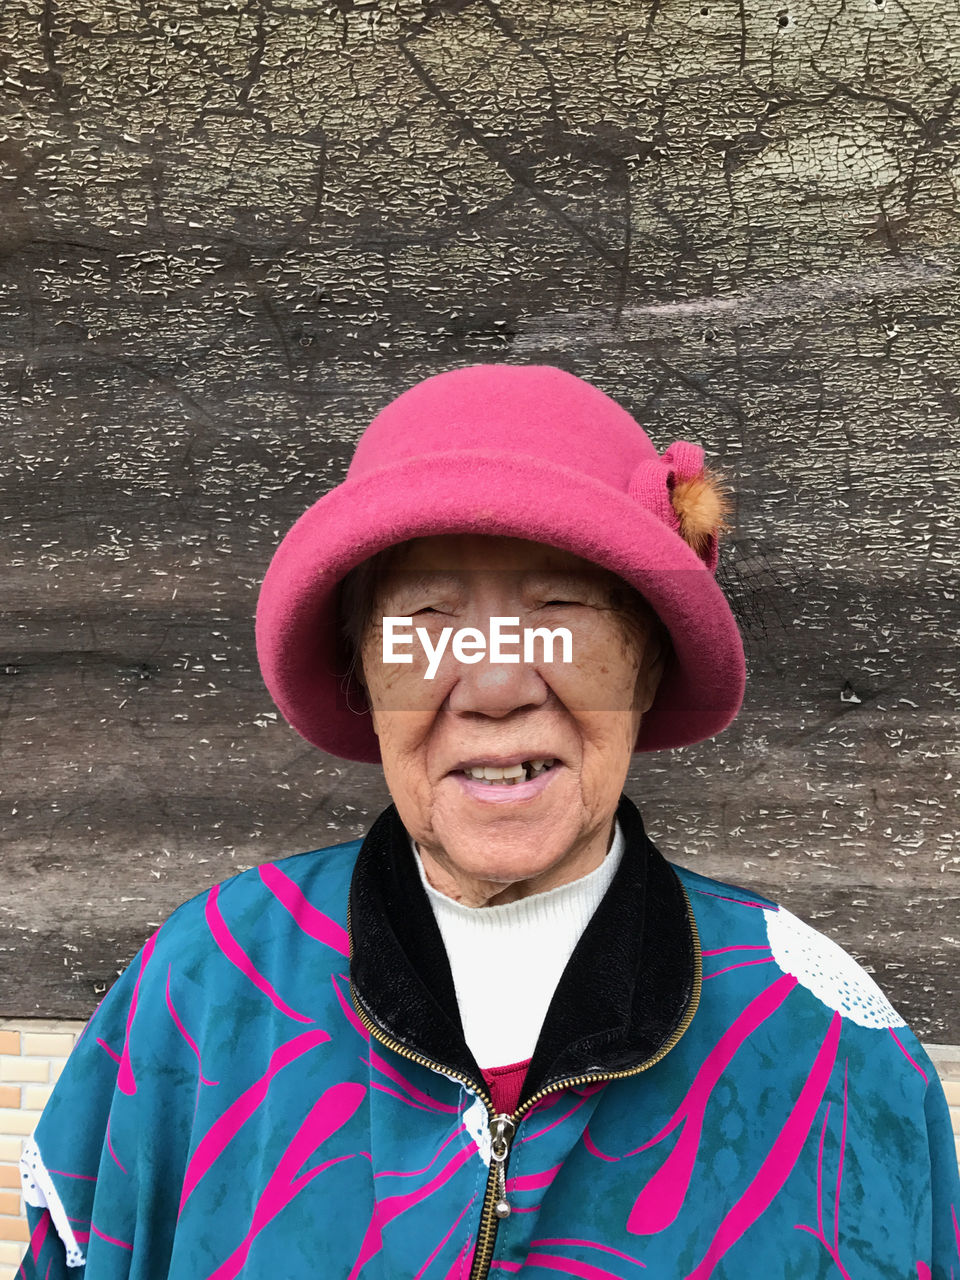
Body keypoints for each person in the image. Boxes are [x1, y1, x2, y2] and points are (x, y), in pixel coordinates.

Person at [18, 365, 960, 1279]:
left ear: (646, 665)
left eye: (561, 611)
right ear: (363, 676)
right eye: (429, 620)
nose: (500, 685)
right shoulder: (205, 983)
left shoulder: (827, 1049)